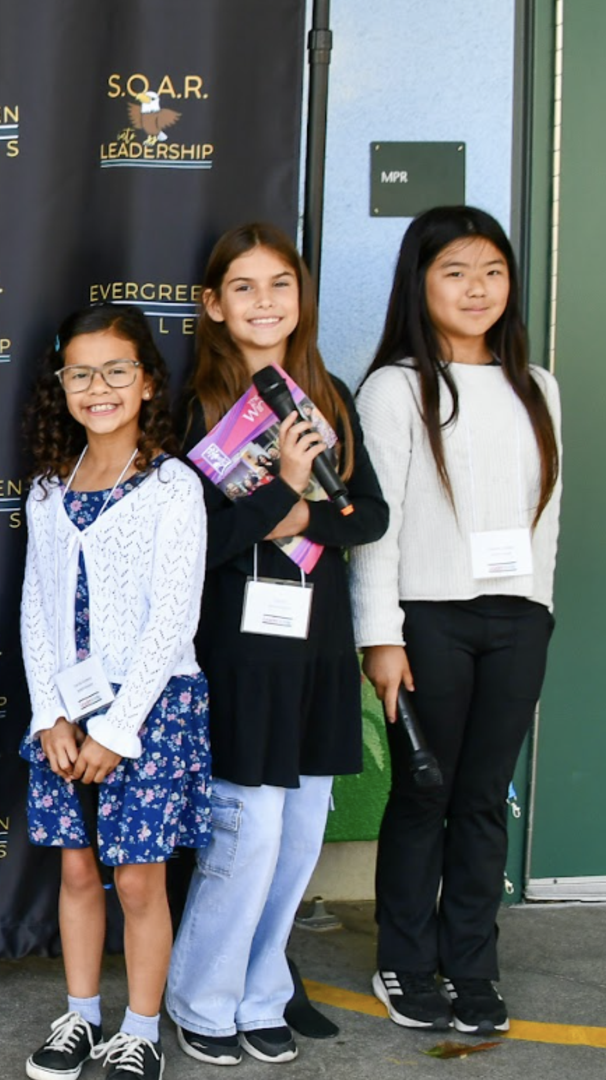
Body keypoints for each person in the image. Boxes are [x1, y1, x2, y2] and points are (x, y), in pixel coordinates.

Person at [165, 223, 388, 1066]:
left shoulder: (329, 397)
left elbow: (369, 517)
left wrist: (302, 513)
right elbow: (197, 546)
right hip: (240, 653)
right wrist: (284, 494)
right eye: (245, 287)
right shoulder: (197, 409)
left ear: (303, 298)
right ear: (214, 306)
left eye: (280, 285)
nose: (265, 303)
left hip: (317, 649)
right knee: (246, 836)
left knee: (297, 839)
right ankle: (202, 998)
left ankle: (261, 994)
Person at [352, 206, 562, 1036]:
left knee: (481, 800)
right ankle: (405, 963)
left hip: (518, 621)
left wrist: (541, 612)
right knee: (423, 794)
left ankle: (473, 964)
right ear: (420, 283)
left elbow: (547, 516)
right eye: (456, 272)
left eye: (493, 272)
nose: (478, 289)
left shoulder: (536, 386)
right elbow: (380, 527)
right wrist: (381, 635)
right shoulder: (395, 387)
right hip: (427, 622)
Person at [18, 304, 210, 1080]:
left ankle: (140, 1029)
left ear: (148, 381)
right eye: (81, 373)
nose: (98, 388)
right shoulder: (47, 491)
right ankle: (81, 1015)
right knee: (75, 871)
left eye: (116, 371)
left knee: (136, 877)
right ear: (61, 384)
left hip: (149, 709)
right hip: (68, 710)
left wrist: (117, 728)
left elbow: (174, 619)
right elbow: (35, 608)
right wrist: (52, 715)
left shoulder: (172, 486)